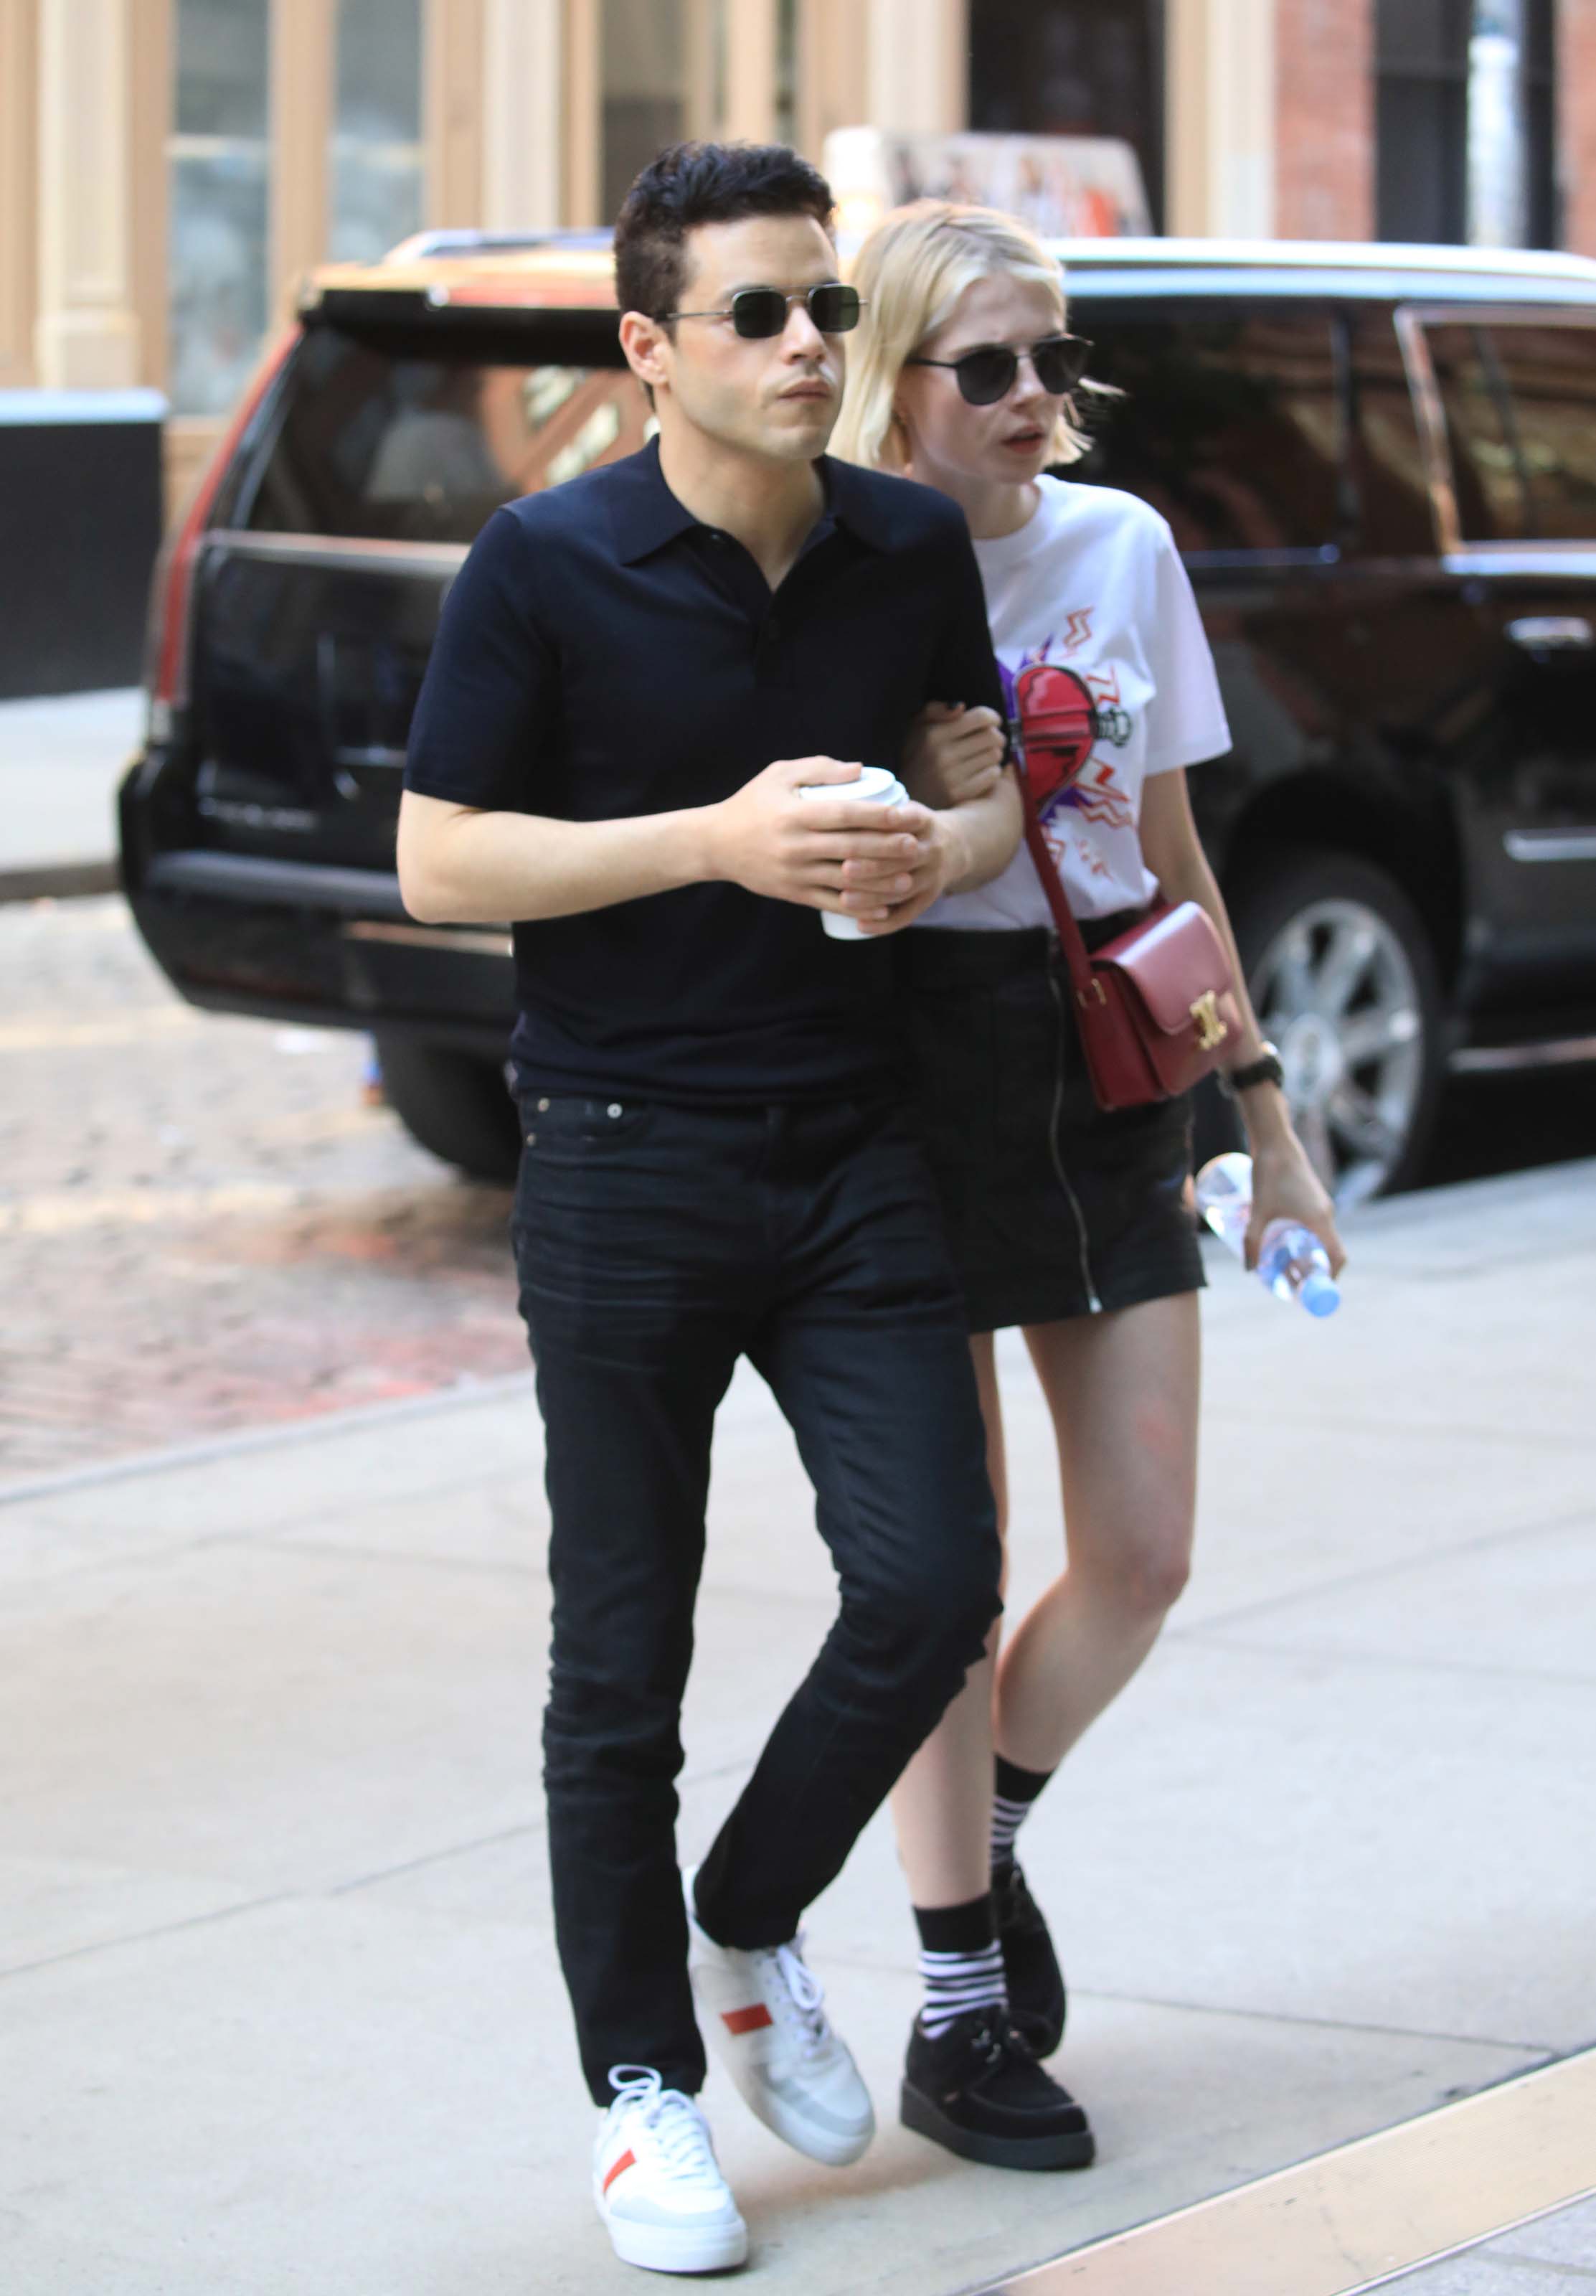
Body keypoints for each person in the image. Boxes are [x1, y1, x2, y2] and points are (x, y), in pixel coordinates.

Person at [396, 145, 1086, 2279]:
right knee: (620, 1665)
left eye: (822, 311)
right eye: (762, 317)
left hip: (850, 1140)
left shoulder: (898, 541)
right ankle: (637, 2093)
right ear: (649, 355)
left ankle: (747, 1917)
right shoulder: (540, 562)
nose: (812, 347)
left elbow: (974, 801)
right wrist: (708, 840)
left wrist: (929, 856)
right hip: (619, 1151)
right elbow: (440, 865)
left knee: (929, 1586)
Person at [832, 202, 1347, 2163]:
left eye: (1052, 358)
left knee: (1140, 1552)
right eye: (991, 367)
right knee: (941, 1586)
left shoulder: (1121, 549)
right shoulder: (839, 572)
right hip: (905, 1080)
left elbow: (1171, 850)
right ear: (897, 384)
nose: (1037, 396)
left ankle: (997, 1824)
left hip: (1111, 1068)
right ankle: (957, 2006)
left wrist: (1271, 1127)